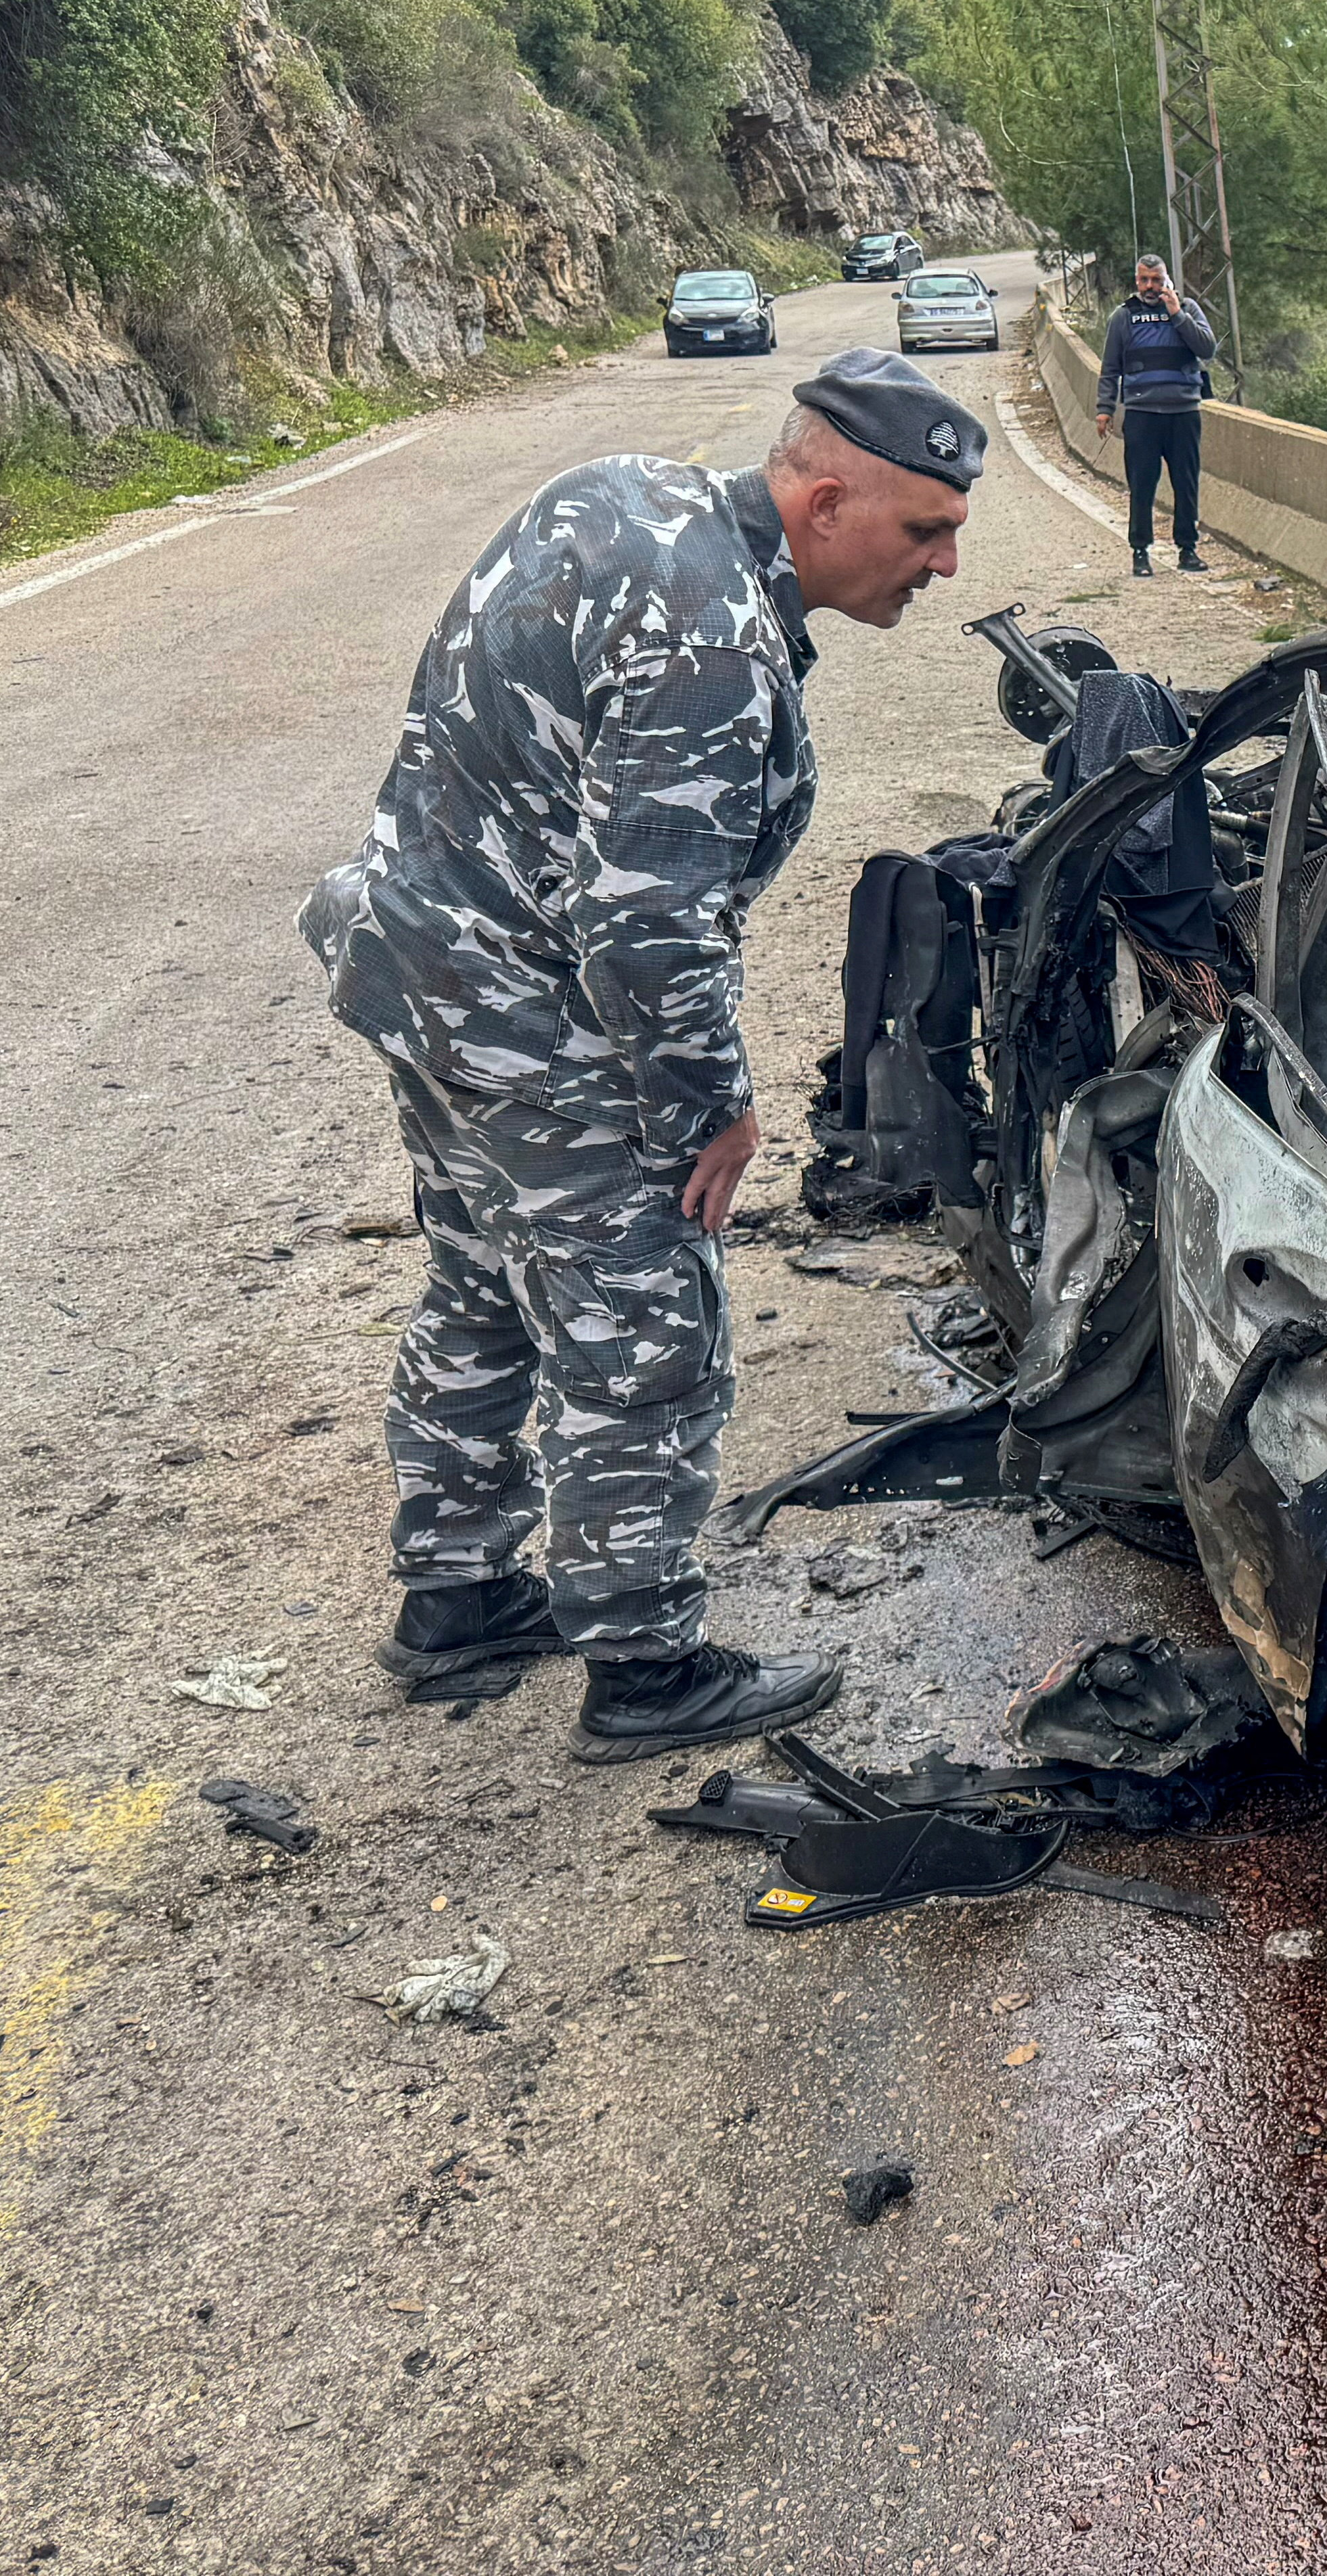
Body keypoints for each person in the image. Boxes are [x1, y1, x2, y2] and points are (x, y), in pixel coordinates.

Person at [300, 349, 981, 1762]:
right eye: (925, 531)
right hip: (536, 1012)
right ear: (826, 495)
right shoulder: (717, 642)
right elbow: (644, 924)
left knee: (486, 1281)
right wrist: (708, 1111)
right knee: (646, 1335)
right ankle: (647, 1663)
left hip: (420, 966)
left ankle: (463, 1593)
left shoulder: (629, 496)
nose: (946, 565)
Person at [1101, 250, 1217, 577]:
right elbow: (1110, 369)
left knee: (1186, 484)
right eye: (1144, 280)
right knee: (1142, 486)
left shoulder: (1188, 309)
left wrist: (1177, 314)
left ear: (1167, 280)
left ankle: (1188, 550)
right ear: (1137, 281)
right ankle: (1140, 552)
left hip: (1184, 413)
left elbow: (1208, 348)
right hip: (1142, 415)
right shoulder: (1123, 317)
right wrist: (1104, 410)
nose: (1150, 286)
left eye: (1156, 280)